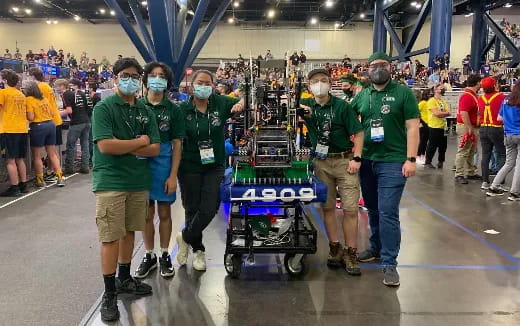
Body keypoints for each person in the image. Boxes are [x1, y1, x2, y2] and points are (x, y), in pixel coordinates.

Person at [92, 57, 161, 322]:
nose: (131, 79)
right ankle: (109, 292)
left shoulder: (145, 110)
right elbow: (105, 146)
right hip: (110, 181)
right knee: (110, 235)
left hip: (137, 180)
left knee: (130, 231)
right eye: (126, 75)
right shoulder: (104, 108)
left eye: (135, 76)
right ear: (115, 78)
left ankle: (124, 278)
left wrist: (126, 144)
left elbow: (154, 147)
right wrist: (138, 142)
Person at [351, 52, 420, 287]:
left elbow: (412, 127)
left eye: (382, 65)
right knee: (372, 208)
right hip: (367, 159)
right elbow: (347, 117)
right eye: (373, 66)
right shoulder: (363, 95)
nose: (377, 69)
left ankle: (390, 263)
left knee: (388, 210)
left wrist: (411, 159)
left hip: (393, 160)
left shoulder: (403, 93)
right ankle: (376, 248)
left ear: (390, 68)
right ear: (367, 70)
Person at [176, 70, 244, 271]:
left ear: (213, 85)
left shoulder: (220, 103)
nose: (204, 86)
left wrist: (242, 103)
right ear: (192, 85)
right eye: (200, 82)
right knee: (192, 207)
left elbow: (246, 96)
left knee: (210, 206)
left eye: (207, 83)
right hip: (189, 164)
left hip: (214, 165)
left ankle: (185, 237)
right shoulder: (182, 109)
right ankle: (198, 251)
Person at [300, 68, 364, 275]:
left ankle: (351, 252)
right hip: (321, 163)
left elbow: (359, 132)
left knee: (350, 209)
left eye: (324, 80)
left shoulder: (342, 107)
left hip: (345, 161)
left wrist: (357, 157)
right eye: (315, 81)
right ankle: (335, 248)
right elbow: (287, 103)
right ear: (309, 87)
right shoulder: (307, 105)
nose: (320, 84)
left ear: (330, 84)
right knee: (327, 208)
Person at [134, 62, 185, 279]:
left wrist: (173, 175)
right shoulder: (135, 106)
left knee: (164, 212)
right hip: (140, 162)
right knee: (146, 213)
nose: (157, 79)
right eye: (152, 75)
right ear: (145, 80)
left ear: (167, 82)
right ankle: (149, 255)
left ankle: (164, 253)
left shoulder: (173, 110)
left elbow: (177, 145)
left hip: (164, 163)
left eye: (161, 76)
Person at [23, 81, 64, 190]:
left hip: (38, 127)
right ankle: (60, 177)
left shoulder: (29, 100)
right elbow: (51, 113)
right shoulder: (44, 99)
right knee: (52, 153)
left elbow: (31, 117)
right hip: (50, 125)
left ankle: (40, 181)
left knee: (37, 156)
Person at [486, 81, 520, 201]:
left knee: (509, 163)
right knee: (519, 165)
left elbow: (499, 118)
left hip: (508, 135)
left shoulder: (506, 99)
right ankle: (514, 193)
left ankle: (493, 187)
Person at [0, 69, 29, 196]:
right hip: (21, 129)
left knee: (10, 160)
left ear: (5, 80)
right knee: (19, 159)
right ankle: (23, 184)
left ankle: (14, 187)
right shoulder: (21, 94)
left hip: (8, 129)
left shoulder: (3, 93)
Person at [478, 77, 506, 189]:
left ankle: (485, 181)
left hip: (483, 128)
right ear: (495, 86)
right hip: (496, 128)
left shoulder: (480, 98)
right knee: (502, 154)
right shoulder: (502, 97)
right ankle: (499, 181)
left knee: (485, 154)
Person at [454, 74, 482, 184]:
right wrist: (469, 127)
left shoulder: (473, 95)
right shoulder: (467, 96)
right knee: (463, 150)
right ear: (477, 83)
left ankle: (470, 172)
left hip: (472, 125)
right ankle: (459, 174)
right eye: (480, 82)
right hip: (466, 126)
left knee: (471, 150)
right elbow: (463, 112)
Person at [62, 79, 93, 174]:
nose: (70, 87)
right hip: (87, 121)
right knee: (85, 144)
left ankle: (69, 168)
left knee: (71, 144)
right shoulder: (85, 94)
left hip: (77, 122)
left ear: (76, 86)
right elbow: (89, 108)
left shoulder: (72, 95)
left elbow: (70, 110)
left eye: (72, 85)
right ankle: (85, 166)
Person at [424, 84, 450, 169]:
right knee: (432, 145)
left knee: (443, 146)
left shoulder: (443, 101)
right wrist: (444, 113)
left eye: (443, 88)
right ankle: (428, 162)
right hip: (434, 126)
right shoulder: (431, 101)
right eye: (441, 88)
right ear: (436, 90)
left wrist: (443, 113)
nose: (443, 90)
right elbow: (437, 113)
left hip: (443, 126)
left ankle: (441, 161)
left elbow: (448, 112)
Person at [417, 90, 430, 164]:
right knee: (422, 141)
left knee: (425, 141)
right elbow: (416, 112)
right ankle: (418, 156)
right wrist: (420, 122)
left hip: (428, 123)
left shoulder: (429, 103)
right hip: (423, 123)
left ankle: (422, 155)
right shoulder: (422, 103)